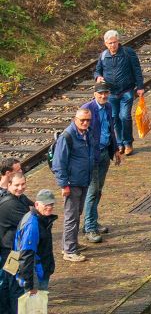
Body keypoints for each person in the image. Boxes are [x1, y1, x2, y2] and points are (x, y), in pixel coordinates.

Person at [50, 108, 95, 262]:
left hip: (83, 180)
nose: (85, 123)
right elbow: (58, 163)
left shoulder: (87, 133)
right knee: (71, 216)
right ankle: (69, 250)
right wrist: (64, 185)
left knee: (77, 214)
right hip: (73, 183)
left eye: (88, 120)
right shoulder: (67, 136)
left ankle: (70, 243)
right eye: (82, 120)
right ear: (75, 119)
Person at [92, 31, 143, 156]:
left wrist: (140, 87)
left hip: (126, 90)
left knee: (124, 116)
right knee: (114, 118)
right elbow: (97, 70)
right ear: (105, 43)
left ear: (118, 41)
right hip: (111, 93)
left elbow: (137, 70)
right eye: (110, 43)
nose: (113, 45)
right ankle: (119, 143)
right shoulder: (103, 56)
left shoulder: (128, 52)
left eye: (114, 42)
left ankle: (128, 143)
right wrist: (98, 77)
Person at [80, 84, 119, 244]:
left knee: (99, 190)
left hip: (104, 152)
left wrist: (115, 149)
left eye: (106, 93)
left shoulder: (108, 107)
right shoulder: (87, 109)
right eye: (100, 93)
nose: (103, 96)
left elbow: (111, 128)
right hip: (91, 156)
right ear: (94, 94)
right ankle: (89, 227)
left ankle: (92, 220)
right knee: (92, 191)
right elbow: (80, 132)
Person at [10, 190, 55, 314]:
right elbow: (26, 256)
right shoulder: (32, 224)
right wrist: (31, 285)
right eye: (46, 205)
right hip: (37, 274)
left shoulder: (38, 218)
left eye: (51, 204)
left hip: (40, 270)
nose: (49, 207)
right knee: (35, 308)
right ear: (36, 205)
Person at [0, 172, 32, 313]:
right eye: (16, 185)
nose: (20, 188)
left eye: (23, 184)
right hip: (10, 252)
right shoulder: (10, 204)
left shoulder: (19, 198)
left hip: (12, 248)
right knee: (15, 286)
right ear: (8, 185)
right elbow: (31, 220)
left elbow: (34, 207)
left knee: (8, 284)